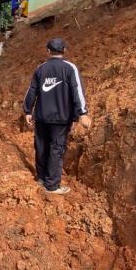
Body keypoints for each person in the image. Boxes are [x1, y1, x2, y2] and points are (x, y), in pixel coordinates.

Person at [23, 38, 91, 194]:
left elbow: (32, 90)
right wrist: (83, 113)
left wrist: (28, 111)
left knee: (41, 147)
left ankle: (41, 178)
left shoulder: (40, 69)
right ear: (64, 50)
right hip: (61, 118)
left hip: (41, 117)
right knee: (56, 149)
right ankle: (52, 185)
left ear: (48, 51)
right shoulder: (70, 68)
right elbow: (77, 91)